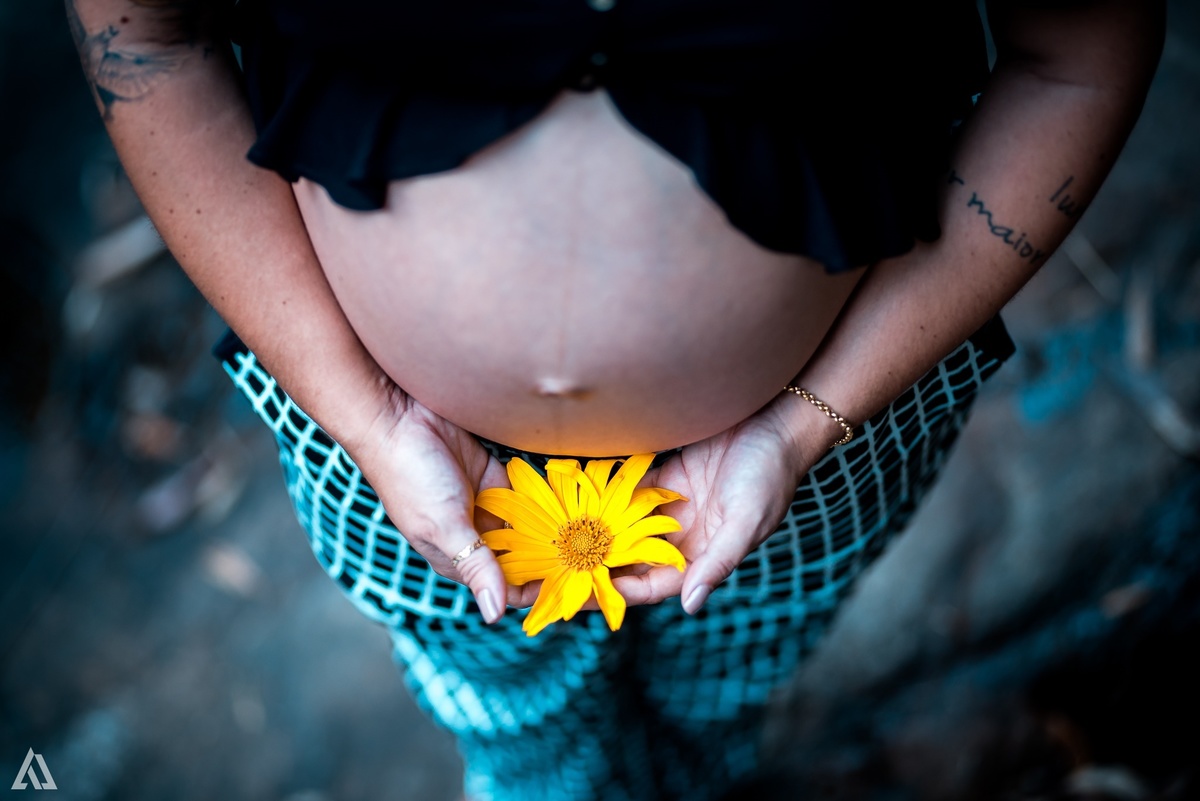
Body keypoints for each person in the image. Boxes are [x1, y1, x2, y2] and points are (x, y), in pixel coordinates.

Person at [67, 0, 1163, 798]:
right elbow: (147, 33)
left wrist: (803, 423)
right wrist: (368, 417)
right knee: (504, 710)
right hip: (384, 451)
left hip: (826, 436)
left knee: (731, 685)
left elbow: (1077, 52)